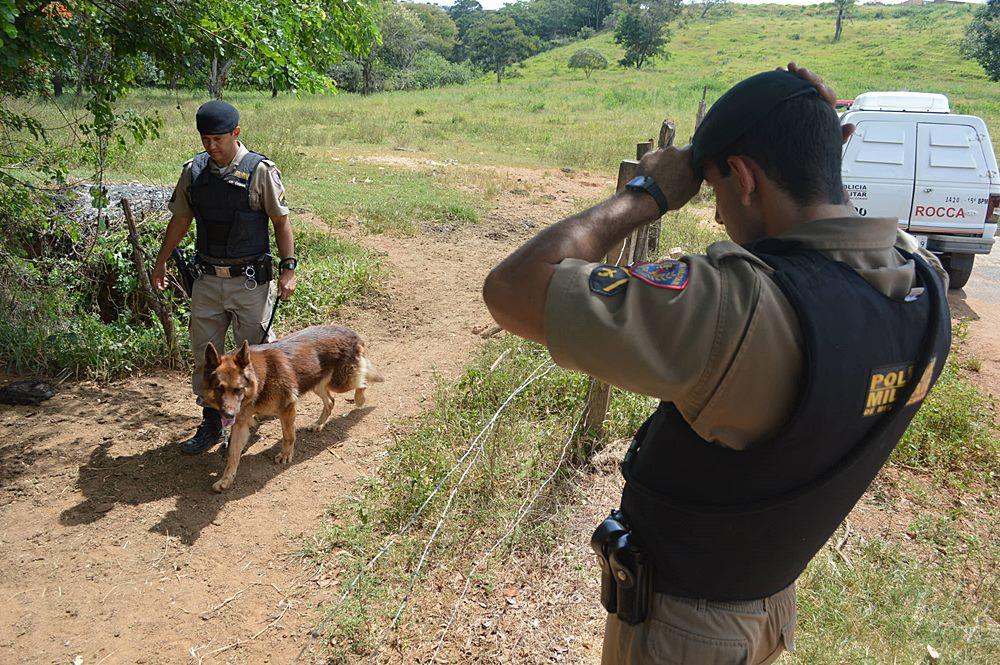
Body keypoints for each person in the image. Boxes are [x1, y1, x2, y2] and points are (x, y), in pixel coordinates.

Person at [482, 65, 951, 664]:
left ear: (746, 178)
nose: (722, 218)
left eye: (717, 192)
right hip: (769, 608)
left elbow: (511, 289)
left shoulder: (740, 309)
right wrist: (810, 118)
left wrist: (646, 195)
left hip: (684, 634)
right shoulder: (923, 289)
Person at [152, 100, 298, 454]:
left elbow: (280, 221)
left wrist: (288, 267)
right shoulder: (195, 171)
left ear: (236, 133)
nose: (211, 146)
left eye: (218, 139)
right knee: (207, 354)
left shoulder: (260, 170)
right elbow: (181, 219)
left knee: (256, 353)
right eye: (205, 139)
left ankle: (252, 413)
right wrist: (161, 262)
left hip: (250, 281)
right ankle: (212, 422)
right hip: (207, 280)